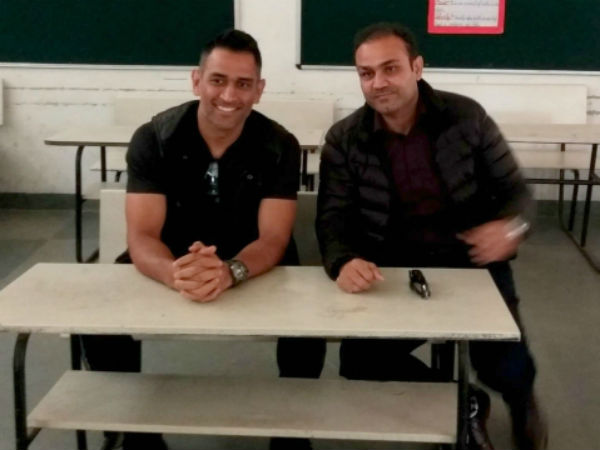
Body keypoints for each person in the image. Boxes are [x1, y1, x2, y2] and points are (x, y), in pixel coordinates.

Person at [316, 22, 548, 450]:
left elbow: (516, 192)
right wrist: (343, 260)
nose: (378, 82)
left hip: (472, 259)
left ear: (417, 67)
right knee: (360, 362)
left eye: (390, 68)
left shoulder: (466, 117)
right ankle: (464, 403)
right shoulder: (345, 139)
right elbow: (333, 217)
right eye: (366, 73)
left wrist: (511, 227)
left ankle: (522, 405)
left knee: (504, 363)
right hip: (393, 265)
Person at [80, 29, 302, 450]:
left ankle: (291, 432)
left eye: (243, 84)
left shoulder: (280, 145)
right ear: (197, 80)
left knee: (306, 315)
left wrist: (231, 272)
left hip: (249, 257)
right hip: (173, 252)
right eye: (218, 80)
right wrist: (174, 273)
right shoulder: (155, 138)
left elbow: (273, 238)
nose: (229, 95)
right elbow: (143, 235)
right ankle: (133, 431)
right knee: (97, 317)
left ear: (259, 90)